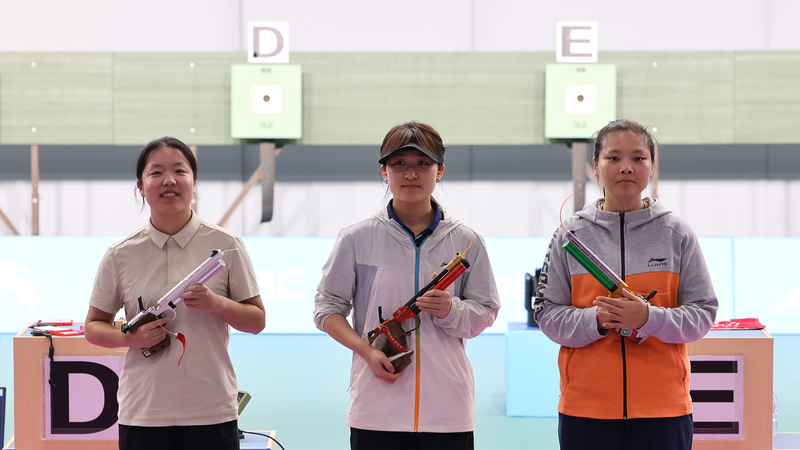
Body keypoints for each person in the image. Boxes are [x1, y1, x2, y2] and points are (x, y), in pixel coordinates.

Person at [314, 121, 501, 450]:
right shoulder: (356, 238)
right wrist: (367, 352)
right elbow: (327, 309)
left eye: (422, 164)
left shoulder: (466, 240)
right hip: (376, 411)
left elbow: (486, 312)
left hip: (448, 414)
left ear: (439, 170)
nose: (410, 174)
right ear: (384, 172)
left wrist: (451, 309)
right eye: (399, 164)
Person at [534, 119, 718, 450]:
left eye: (638, 158)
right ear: (595, 166)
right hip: (586, 409)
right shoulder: (570, 236)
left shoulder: (677, 234)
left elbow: (703, 314)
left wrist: (649, 318)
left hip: (664, 409)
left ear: (651, 166)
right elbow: (547, 314)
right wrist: (597, 320)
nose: (626, 168)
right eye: (613, 158)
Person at [84, 136, 265, 450]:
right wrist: (131, 338)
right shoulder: (120, 254)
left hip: (211, 411)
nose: (169, 180)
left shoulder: (228, 244)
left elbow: (256, 322)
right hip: (143, 412)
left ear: (194, 182)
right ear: (141, 187)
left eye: (180, 171)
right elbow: (93, 327)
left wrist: (217, 303)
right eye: (155, 173)